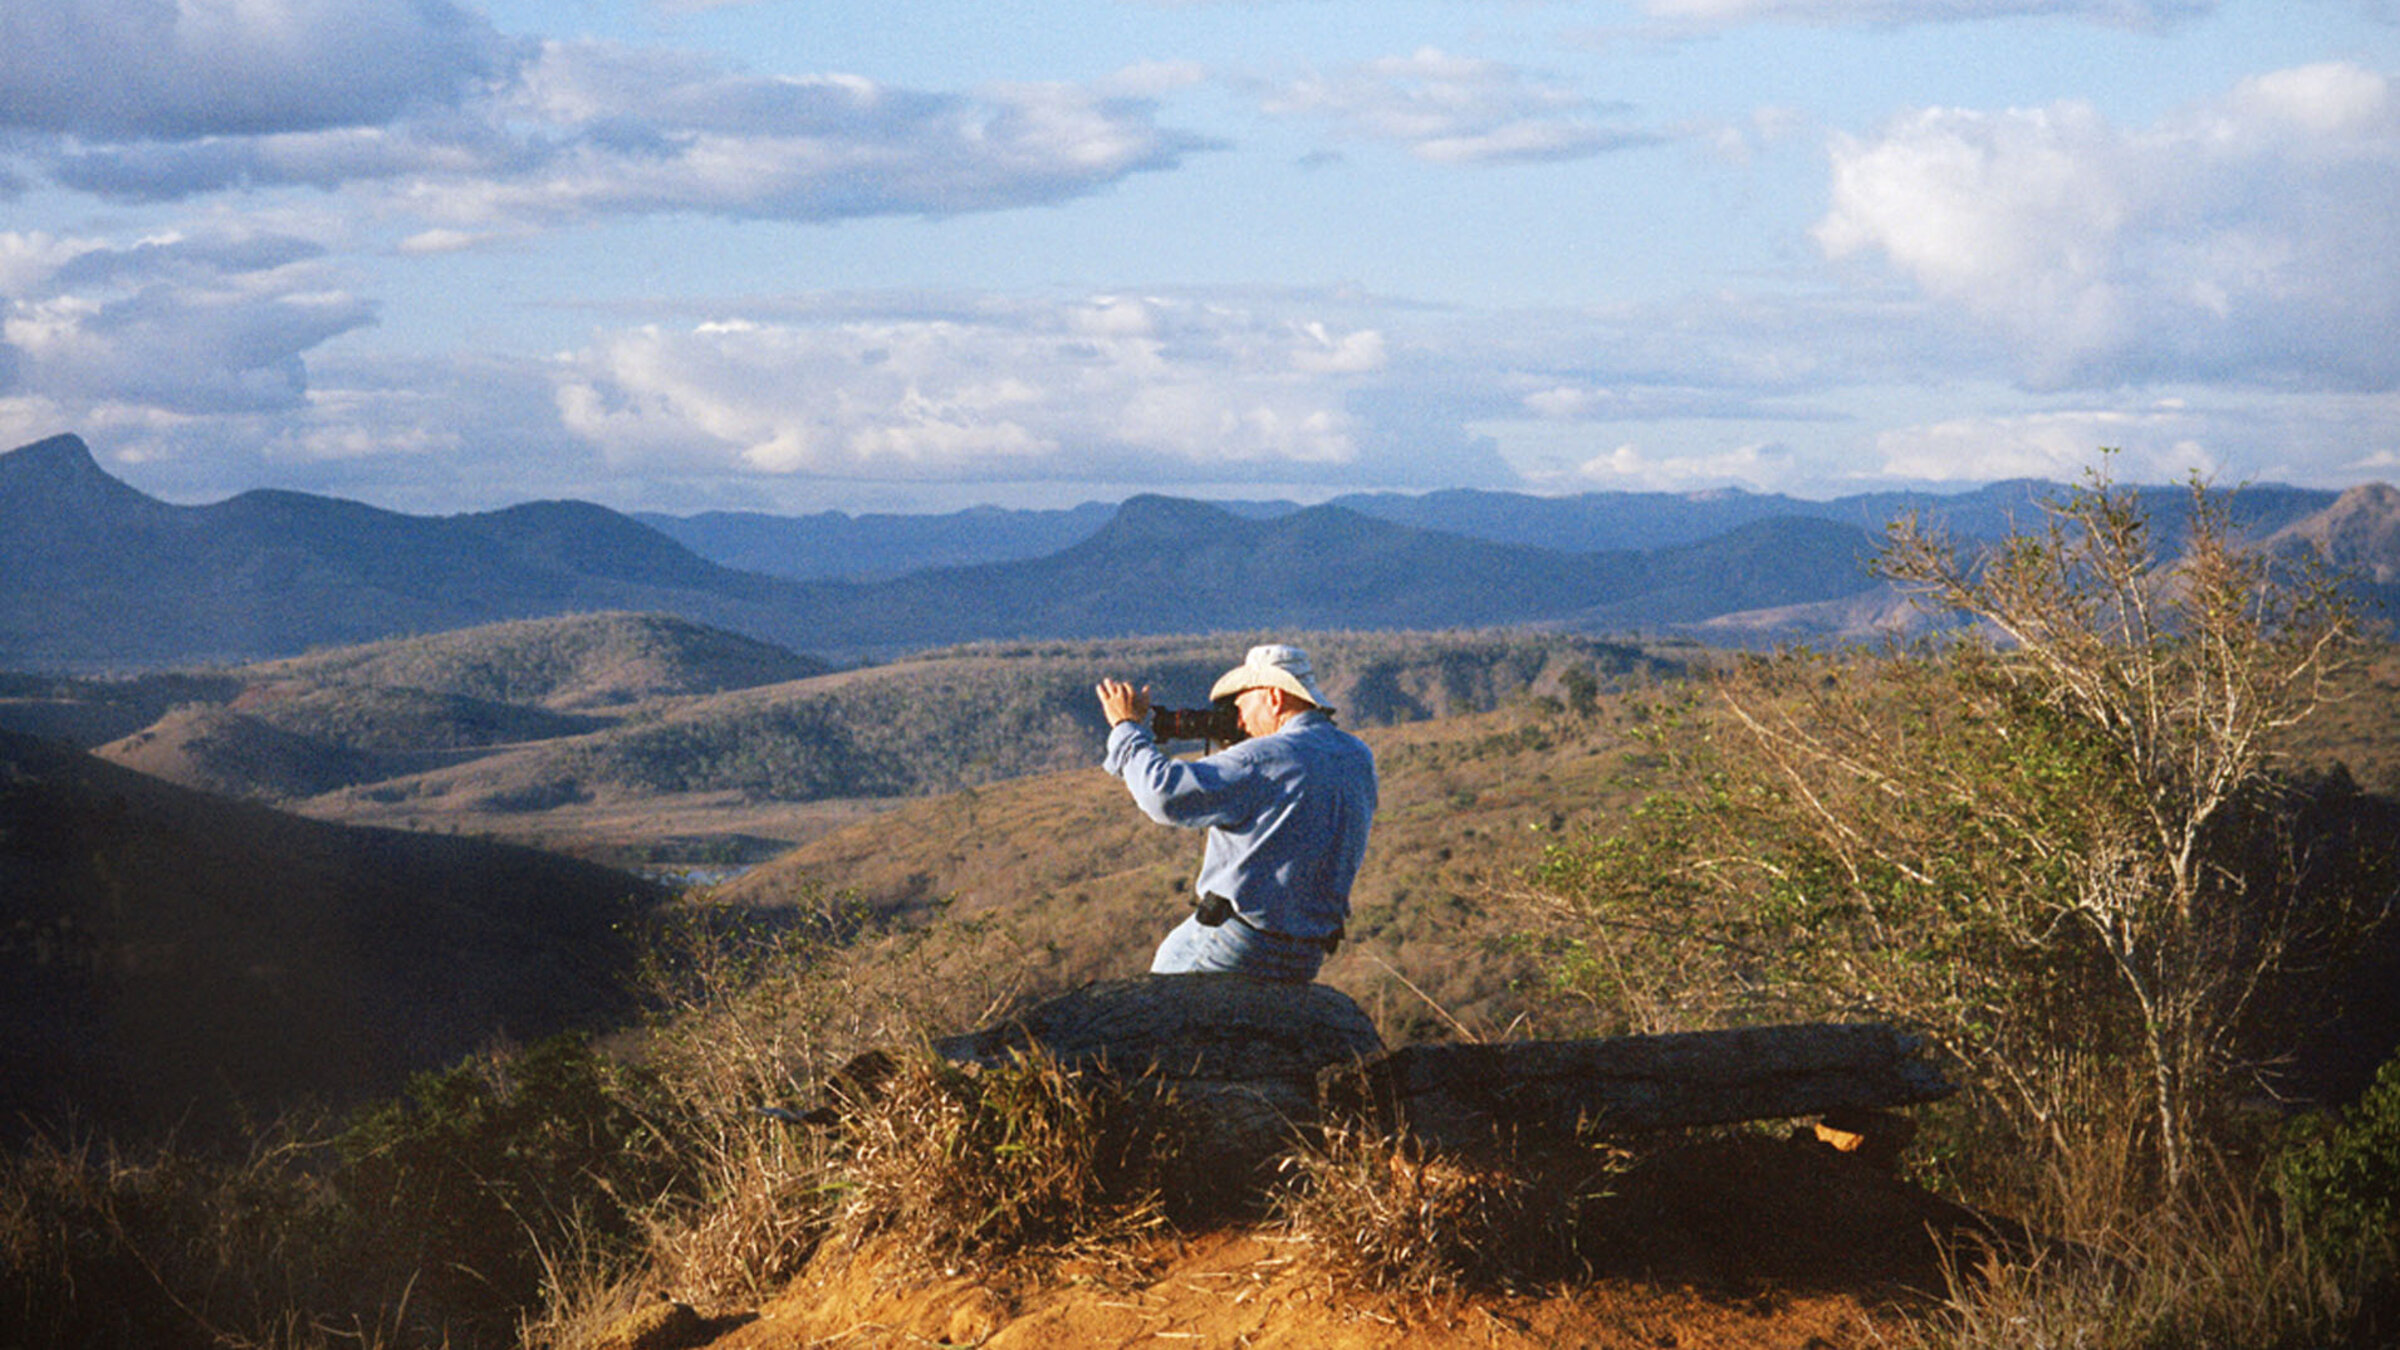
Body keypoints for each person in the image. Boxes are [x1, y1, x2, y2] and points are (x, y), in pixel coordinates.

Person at [1094, 643, 1377, 983]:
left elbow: (1163, 795)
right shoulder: (1357, 755)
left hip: (1237, 945)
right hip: (1306, 955)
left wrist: (1126, 729)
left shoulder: (1265, 758)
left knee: (1152, 1023)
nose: (1237, 717)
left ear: (1274, 697)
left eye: (1241, 702)